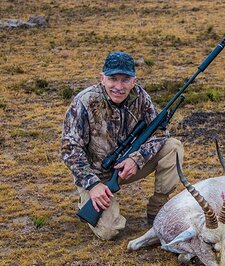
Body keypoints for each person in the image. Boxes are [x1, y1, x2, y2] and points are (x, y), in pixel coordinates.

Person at [61, 51, 184, 240]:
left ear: (134, 81)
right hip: (94, 175)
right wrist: (92, 184)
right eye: (113, 79)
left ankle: (158, 207)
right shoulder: (84, 101)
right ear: (102, 78)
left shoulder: (141, 97)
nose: (119, 86)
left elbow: (159, 133)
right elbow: (69, 148)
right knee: (109, 231)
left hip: (127, 168)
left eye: (125, 80)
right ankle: (86, 198)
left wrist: (137, 159)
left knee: (173, 147)